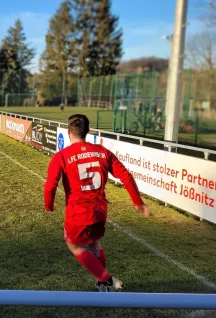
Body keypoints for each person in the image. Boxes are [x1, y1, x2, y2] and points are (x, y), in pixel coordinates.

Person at [44, 114, 149, 292]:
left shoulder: (62, 156)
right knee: (94, 244)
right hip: (100, 210)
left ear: (69, 133)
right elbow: (125, 175)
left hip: (79, 212)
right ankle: (102, 284)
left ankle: (106, 279)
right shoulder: (103, 152)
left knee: (74, 244)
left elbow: (50, 186)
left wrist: (49, 205)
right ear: (88, 131)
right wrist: (138, 202)